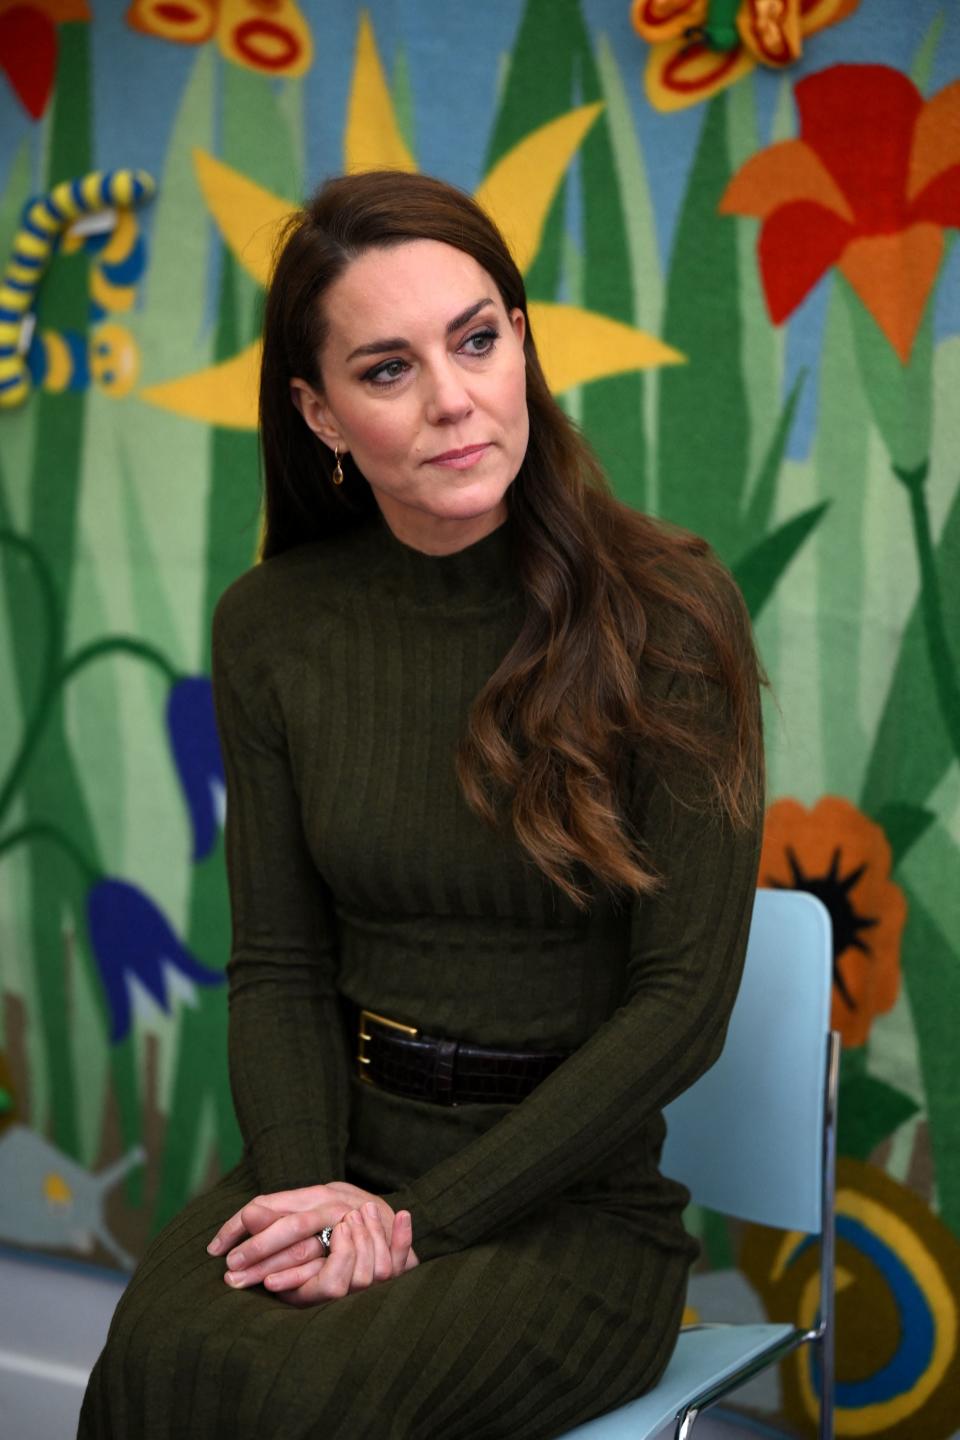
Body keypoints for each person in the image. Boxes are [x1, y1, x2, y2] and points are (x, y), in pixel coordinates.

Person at [79, 169, 765, 1440]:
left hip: (572, 1215)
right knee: (157, 1365)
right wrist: (317, 1195)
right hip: (345, 1163)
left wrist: (415, 1228)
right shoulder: (275, 626)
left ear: (520, 344)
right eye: (387, 369)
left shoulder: (668, 614)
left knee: (301, 1399)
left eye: (477, 339)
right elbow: (281, 961)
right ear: (321, 412)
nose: (454, 400)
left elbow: (680, 1011)